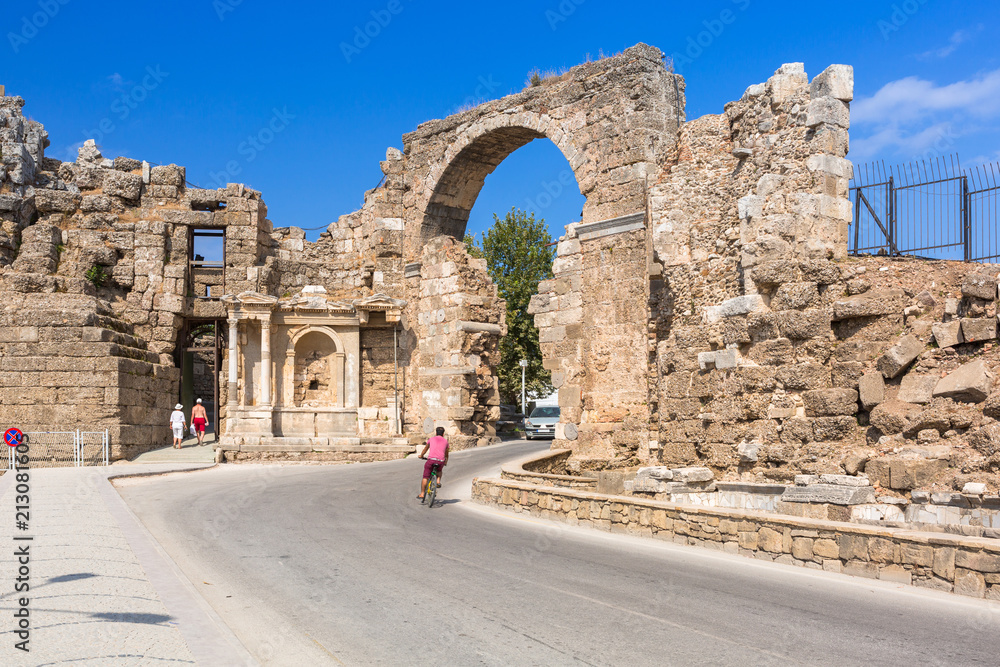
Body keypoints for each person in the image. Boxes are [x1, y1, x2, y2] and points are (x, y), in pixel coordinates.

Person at [417, 427, 449, 501]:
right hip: (440, 461)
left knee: (425, 477)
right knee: (439, 470)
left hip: (431, 460)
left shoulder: (431, 439)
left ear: (436, 433)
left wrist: (421, 455)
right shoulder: (446, 442)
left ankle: (422, 494)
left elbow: (425, 449)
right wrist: (446, 461)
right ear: (443, 434)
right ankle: (438, 481)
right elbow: (446, 454)